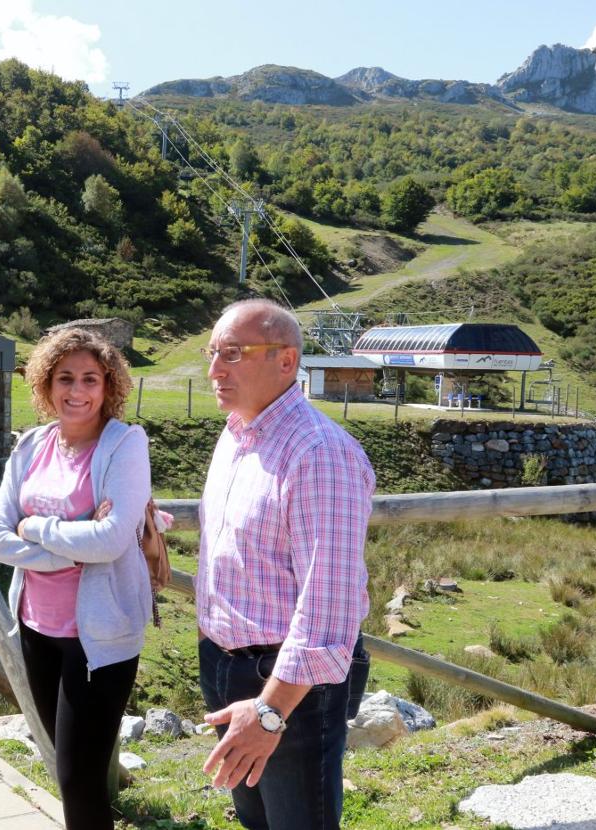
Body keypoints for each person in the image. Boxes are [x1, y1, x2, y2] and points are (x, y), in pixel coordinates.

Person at [197, 299, 375, 830]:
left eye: (232, 353)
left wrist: (270, 710)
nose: (214, 370)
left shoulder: (320, 453)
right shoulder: (236, 432)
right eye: (212, 353)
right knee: (256, 819)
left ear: (286, 361)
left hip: (289, 684)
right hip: (225, 663)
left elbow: (329, 609)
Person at [0, 328, 152, 830]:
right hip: (38, 627)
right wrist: (69, 548)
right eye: (65, 378)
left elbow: (111, 541)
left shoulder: (124, 444)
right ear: (45, 384)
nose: (76, 391)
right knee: (66, 763)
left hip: (98, 638)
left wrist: (34, 529)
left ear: (108, 386)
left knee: (78, 778)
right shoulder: (32, 444)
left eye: (89, 379)